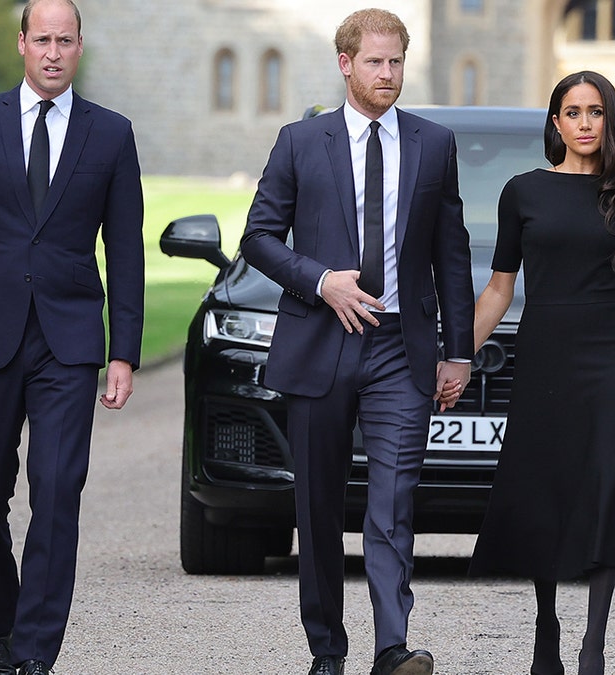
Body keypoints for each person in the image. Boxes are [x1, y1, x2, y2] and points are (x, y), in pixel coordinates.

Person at [0, 0, 144, 673]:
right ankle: (3, 626)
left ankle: (34, 655)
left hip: (69, 340)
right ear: (21, 44)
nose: (51, 51)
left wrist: (123, 349)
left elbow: (125, 249)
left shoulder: (112, 134)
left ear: (79, 47)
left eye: (64, 40)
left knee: (58, 485)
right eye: (41, 39)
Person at [239, 8, 473, 675]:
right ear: (346, 63)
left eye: (397, 61)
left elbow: (450, 255)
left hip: (401, 347)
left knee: (394, 498)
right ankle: (327, 649)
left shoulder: (434, 143)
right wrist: (320, 281)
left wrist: (457, 351)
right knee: (316, 505)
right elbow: (257, 236)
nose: (388, 74)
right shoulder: (298, 141)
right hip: (322, 339)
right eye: (375, 62)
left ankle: (392, 646)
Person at [467, 71, 615, 675]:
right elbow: (498, 288)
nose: (585, 123)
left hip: (612, 358)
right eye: (573, 112)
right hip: (545, 351)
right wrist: (457, 355)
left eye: (595, 112)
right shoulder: (524, 192)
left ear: (608, 121)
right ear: (556, 122)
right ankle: (547, 626)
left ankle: (594, 645)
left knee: (605, 484)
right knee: (546, 484)